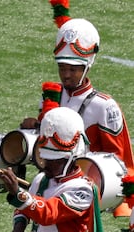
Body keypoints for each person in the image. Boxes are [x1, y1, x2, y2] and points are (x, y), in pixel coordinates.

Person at [24, 6, 133, 217]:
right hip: (50, 183)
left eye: (73, 69)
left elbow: (116, 161)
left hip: (84, 192)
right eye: (62, 68)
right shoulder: (51, 97)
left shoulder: (104, 106)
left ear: (87, 66)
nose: (66, 75)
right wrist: (35, 128)